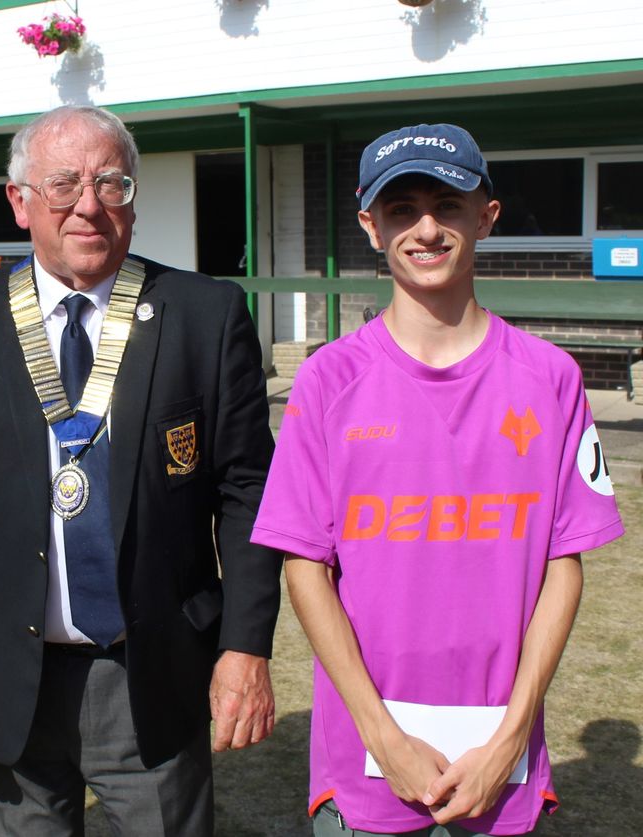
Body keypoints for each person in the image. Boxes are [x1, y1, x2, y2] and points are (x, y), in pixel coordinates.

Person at [0, 104, 283, 834]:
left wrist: (244, 646)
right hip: (6, 677)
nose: (89, 205)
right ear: (20, 202)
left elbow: (247, 495)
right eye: (63, 184)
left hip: (153, 673)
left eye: (111, 183)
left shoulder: (204, 314)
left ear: (132, 199)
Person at [251, 124, 624, 836]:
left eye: (448, 204)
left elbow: (563, 564)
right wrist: (384, 738)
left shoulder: (552, 378)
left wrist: (510, 738)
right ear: (371, 226)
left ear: (487, 216)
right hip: (367, 762)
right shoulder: (328, 379)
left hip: (500, 761)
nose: (426, 228)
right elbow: (305, 566)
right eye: (402, 209)